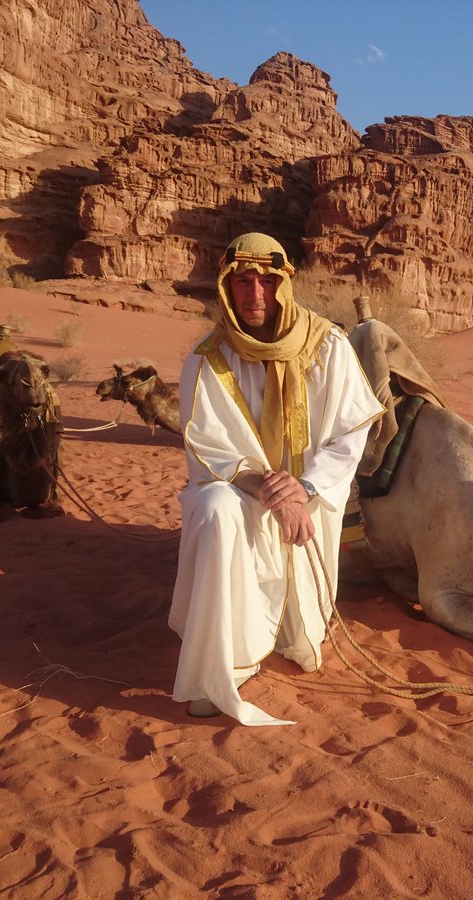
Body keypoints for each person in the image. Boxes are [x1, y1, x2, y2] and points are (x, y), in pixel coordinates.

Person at [168, 232, 384, 725]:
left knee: (301, 631)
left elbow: (351, 433)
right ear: (226, 287)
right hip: (242, 489)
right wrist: (268, 488)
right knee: (214, 509)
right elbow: (212, 444)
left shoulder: (326, 345)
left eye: (267, 281)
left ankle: (288, 632)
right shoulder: (208, 358)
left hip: (310, 488)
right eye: (243, 281)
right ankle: (222, 668)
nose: (255, 294)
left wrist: (304, 488)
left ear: (285, 285)